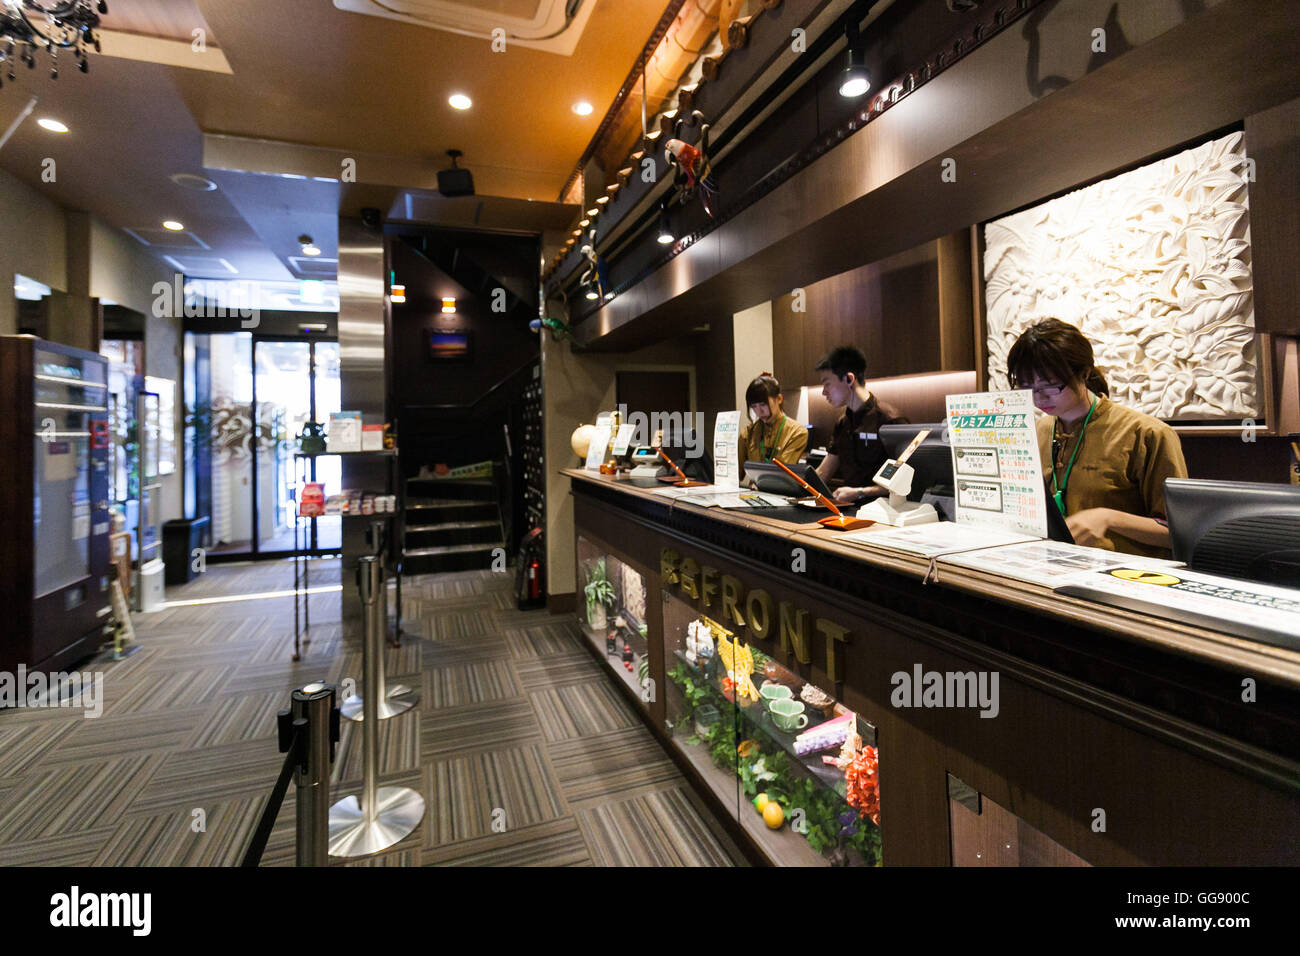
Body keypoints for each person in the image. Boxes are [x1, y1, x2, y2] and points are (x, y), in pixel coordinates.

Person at [1006, 318, 1188, 557]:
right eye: (1026, 388)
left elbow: (1181, 533)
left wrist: (1109, 518)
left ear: (1084, 373)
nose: (1038, 399)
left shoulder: (1146, 433)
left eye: (1049, 386)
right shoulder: (1037, 431)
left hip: (1124, 572)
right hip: (1048, 565)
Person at [814, 346, 909, 504]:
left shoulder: (890, 420)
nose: (824, 392)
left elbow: (902, 480)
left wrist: (860, 492)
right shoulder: (842, 423)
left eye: (827, 384)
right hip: (849, 508)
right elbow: (824, 473)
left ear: (849, 379)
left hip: (884, 510)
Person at [739, 373, 808, 474]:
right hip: (755, 484)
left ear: (779, 399)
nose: (759, 412)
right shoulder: (747, 434)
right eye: (754, 406)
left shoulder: (797, 432)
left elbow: (781, 473)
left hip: (780, 484)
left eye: (763, 404)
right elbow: (736, 473)